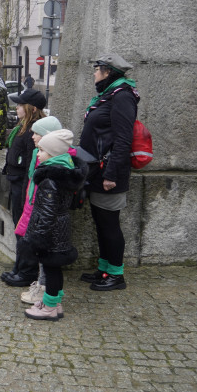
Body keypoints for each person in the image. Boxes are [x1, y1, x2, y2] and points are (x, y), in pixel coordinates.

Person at [79, 53, 139, 292]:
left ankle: (115, 274)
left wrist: (111, 175)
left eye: (97, 69)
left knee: (110, 225)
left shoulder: (123, 96)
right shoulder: (109, 94)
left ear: (107, 71)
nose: (94, 73)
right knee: (101, 223)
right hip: (97, 170)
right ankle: (103, 269)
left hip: (109, 172)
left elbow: (124, 139)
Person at [22, 129, 88, 321]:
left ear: (52, 154)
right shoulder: (65, 172)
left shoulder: (50, 180)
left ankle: (49, 307)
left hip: (50, 232)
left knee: (51, 269)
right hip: (60, 229)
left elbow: (48, 212)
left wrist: (39, 237)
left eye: (42, 151)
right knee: (54, 268)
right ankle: (54, 303)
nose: (39, 154)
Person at [0, 89, 47, 287]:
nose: (16, 107)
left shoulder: (34, 131)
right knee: (19, 227)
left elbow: (31, 162)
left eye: (20, 105)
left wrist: (28, 191)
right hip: (16, 180)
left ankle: (27, 271)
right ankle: (20, 267)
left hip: (24, 183)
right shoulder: (23, 126)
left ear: (32, 108)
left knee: (25, 228)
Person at [16, 115, 63, 304]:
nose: (32, 136)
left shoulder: (52, 165)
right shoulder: (40, 156)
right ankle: (41, 286)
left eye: (37, 133)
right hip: (34, 209)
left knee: (47, 256)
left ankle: (45, 292)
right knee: (40, 252)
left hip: (44, 216)